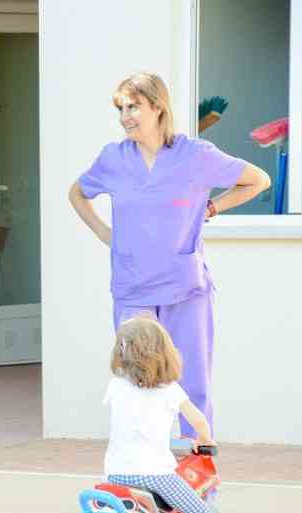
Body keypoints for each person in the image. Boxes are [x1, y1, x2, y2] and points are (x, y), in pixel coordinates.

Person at [69, 72, 271, 436]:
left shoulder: (195, 155)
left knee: (191, 384)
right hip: (133, 289)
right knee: (136, 385)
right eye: (121, 108)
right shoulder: (113, 158)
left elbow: (258, 180)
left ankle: (197, 483)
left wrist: (211, 207)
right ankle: (144, 476)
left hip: (185, 288)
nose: (125, 116)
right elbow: (77, 193)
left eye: (134, 106)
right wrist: (105, 234)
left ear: (157, 106)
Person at [104, 315, 244, 513]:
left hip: (116, 473)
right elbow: (199, 421)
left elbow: (138, 430)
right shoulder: (169, 389)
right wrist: (205, 439)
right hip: (155, 475)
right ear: (163, 352)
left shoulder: (116, 387)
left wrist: (169, 443)